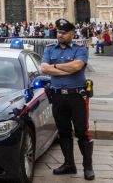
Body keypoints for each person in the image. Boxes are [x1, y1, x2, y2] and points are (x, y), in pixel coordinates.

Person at [40, 19, 94, 180]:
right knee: (63, 131)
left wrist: (54, 67)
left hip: (77, 96)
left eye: (64, 33)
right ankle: (69, 164)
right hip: (57, 95)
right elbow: (43, 68)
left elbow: (77, 66)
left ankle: (87, 167)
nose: (60, 35)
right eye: (58, 32)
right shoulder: (49, 49)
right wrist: (64, 68)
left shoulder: (80, 48)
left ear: (72, 34)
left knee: (82, 132)